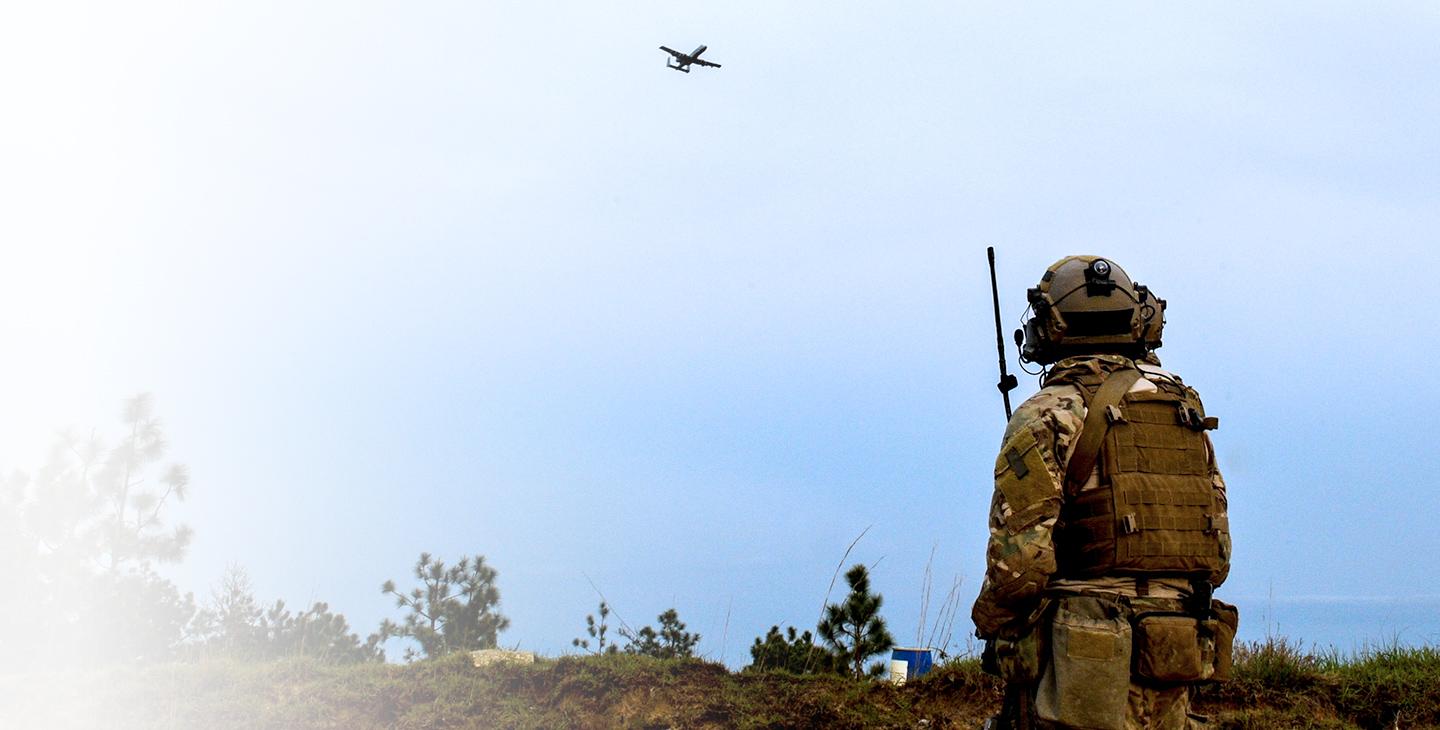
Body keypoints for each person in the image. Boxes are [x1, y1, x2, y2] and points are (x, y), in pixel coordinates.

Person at [972, 256, 1238, 730]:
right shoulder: (1181, 408)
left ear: (1050, 327)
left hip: (1082, 661)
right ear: (1140, 319)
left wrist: (990, 619)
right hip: (1174, 654)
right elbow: (1216, 557)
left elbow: (1019, 568)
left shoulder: (1049, 413)